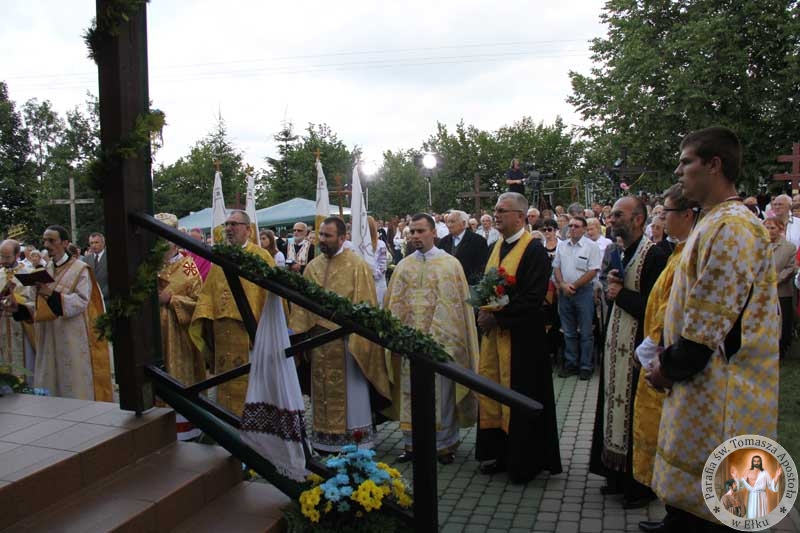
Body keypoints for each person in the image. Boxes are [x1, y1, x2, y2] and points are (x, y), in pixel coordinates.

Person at [648, 127, 780, 531]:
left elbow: (709, 324)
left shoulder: (732, 228)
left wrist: (667, 368)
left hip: (724, 393)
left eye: (686, 161)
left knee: (716, 510)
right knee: (690, 508)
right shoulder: (714, 221)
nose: (679, 170)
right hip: (703, 385)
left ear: (714, 165)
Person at [476, 192, 562, 483]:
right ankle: (500, 454)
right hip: (496, 339)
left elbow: (533, 297)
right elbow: (487, 287)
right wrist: (483, 309)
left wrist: (498, 317)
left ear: (520, 217)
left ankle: (526, 463)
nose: (496, 214)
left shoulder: (533, 250)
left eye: (503, 210)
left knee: (522, 397)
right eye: (496, 210)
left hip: (523, 341)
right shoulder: (496, 246)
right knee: (496, 393)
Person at [589, 196, 667, 509]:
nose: (611, 220)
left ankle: (639, 486)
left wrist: (620, 294)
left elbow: (656, 308)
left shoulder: (655, 255)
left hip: (638, 352)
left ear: (638, 219)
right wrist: (613, 288)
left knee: (636, 417)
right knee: (614, 408)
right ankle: (617, 476)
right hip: (617, 347)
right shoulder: (623, 251)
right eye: (611, 215)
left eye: (618, 215)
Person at [289, 217, 391, 453]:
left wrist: (351, 332)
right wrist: (301, 333)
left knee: (351, 391)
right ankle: (324, 439)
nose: (322, 240)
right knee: (321, 391)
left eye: (328, 236)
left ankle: (356, 440)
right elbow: (301, 305)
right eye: (321, 235)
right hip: (317, 342)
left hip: (347, 343)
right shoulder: (313, 266)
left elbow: (365, 305)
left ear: (342, 238)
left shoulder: (357, 266)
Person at [385, 213, 479, 464]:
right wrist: (401, 335)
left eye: (420, 231)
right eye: (412, 232)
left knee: (442, 395)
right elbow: (394, 304)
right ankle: (411, 444)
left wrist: (436, 337)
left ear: (433, 233)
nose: (415, 236)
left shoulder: (450, 264)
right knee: (410, 394)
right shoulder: (403, 266)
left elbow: (455, 307)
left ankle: (444, 446)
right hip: (409, 346)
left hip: (441, 345)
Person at [632, 184, 699, 533]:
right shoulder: (677, 250)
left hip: (669, 358)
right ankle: (674, 513)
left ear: (686, 215)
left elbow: (674, 308)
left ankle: (680, 514)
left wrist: (651, 349)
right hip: (662, 353)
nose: (659, 220)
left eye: (665, 213)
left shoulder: (688, 253)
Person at [7, 226, 112, 401]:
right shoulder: (45, 269)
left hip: (71, 337)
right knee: (50, 389)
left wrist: (50, 293)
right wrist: (18, 308)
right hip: (48, 337)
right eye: (45, 240)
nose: (47, 245)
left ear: (65, 243)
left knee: (73, 387)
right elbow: (36, 303)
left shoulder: (80, 269)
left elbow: (81, 301)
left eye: (51, 240)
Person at [189, 210, 276, 415]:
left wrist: (264, 330)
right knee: (224, 381)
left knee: (251, 382)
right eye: (226, 224)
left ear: (248, 229)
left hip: (250, 333)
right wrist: (206, 321)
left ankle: (253, 424)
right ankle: (226, 421)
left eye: (234, 224)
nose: (228, 229)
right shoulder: (220, 257)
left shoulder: (261, 257)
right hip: (222, 332)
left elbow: (270, 297)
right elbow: (208, 292)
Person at [155, 213, 205, 441]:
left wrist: (172, 300)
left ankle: (184, 428)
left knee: (178, 378)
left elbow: (199, 303)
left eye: (164, 236)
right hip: (153, 336)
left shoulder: (189, 268)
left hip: (179, 338)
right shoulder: (148, 266)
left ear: (174, 239)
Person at [553, 216, 601, 380]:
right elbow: (556, 267)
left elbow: (593, 271)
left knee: (586, 331)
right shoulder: (562, 245)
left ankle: (586, 366)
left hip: (583, 293)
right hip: (564, 292)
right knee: (568, 332)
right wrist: (562, 285)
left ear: (584, 229)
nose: (572, 228)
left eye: (576, 226)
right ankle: (571, 364)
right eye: (571, 225)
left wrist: (573, 286)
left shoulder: (591, 247)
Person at [0, 240, 35, 378]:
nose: (3, 260)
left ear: (17, 255)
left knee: (25, 366)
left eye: (7, 257)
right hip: (2, 326)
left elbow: (34, 301)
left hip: (22, 326)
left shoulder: (28, 274)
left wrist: (16, 301)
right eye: (1, 256)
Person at [764, 217, 796, 359]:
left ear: (781, 229)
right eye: (767, 227)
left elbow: (791, 268)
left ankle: (782, 349)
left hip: (781, 291)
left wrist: (776, 280)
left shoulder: (789, 247)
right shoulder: (758, 245)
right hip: (762, 291)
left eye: (773, 228)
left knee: (783, 321)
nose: (769, 231)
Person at [438, 210, 489, 285]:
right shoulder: (443, 242)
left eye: (452, 222)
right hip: (447, 285)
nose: (449, 225)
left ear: (464, 223)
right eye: (447, 222)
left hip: (469, 286)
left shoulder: (478, 241)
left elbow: (481, 267)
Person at [359, 216, 389, 306]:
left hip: (377, 285)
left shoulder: (380, 244)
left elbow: (383, 267)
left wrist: (370, 274)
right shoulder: (358, 246)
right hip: (362, 284)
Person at [81, 232, 109, 303]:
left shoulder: (111, 257)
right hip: (90, 299)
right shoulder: (85, 259)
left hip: (107, 299)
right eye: (91, 243)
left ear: (103, 243)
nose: (93, 245)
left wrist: (102, 294)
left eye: (96, 242)